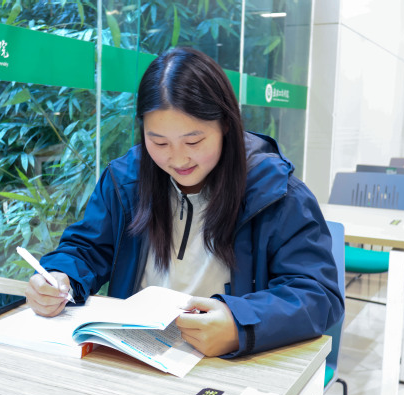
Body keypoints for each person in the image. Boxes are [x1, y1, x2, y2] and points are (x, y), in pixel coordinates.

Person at [25, 47, 344, 358]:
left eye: (193, 141)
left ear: (226, 125)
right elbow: (88, 248)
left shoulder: (275, 192)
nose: (177, 159)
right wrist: (59, 277)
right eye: (159, 142)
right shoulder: (126, 180)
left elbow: (317, 294)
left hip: (227, 362)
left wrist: (239, 324)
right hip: (136, 356)